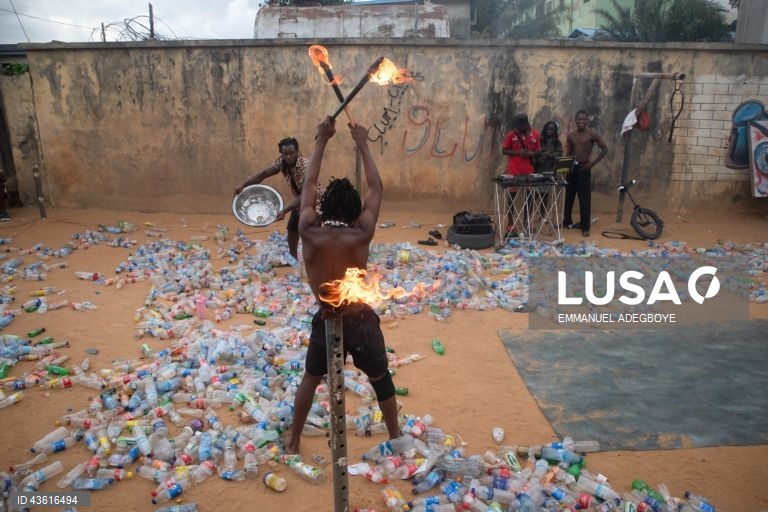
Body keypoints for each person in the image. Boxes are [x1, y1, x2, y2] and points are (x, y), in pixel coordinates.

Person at [285, 116, 398, 454]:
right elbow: (376, 189)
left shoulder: (309, 230)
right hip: (359, 319)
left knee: (311, 377)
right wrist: (362, 142)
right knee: (380, 378)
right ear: (353, 209)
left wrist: (321, 140)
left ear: (324, 206)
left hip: (328, 317)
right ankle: (395, 437)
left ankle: (293, 441)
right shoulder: (360, 232)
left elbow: (308, 186)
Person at [233, 137, 322, 259]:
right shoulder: (282, 163)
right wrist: (243, 185)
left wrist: (285, 209)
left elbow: (307, 193)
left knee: (312, 231)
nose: (289, 156)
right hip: (300, 201)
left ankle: (317, 259)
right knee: (292, 228)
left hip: (316, 201)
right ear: (281, 154)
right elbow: (263, 174)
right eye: (285, 154)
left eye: (291, 153)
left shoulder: (305, 166)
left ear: (297, 151)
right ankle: (293, 257)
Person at [563, 110, 609, 237]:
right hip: (572, 169)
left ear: (587, 120)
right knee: (569, 196)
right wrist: (565, 168)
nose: (581, 122)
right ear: (576, 120)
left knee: (584, 198)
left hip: (584, 168)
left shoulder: (592, 134)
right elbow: (569, 153)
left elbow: (605, 149)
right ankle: (567, 221)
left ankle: (585, 226)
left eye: (584, 119)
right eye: (579, 119)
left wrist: (592, 163)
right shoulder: (571, 135)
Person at [501, 113, 541, 237]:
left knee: (529, 197)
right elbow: (504, 150)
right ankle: (510, 224)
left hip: (528, 170)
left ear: (527, 124)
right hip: (514, 170)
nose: (518, 129)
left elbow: (539, 151)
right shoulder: (512, 134)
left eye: (520, 127)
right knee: (511, 197)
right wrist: (517, 152)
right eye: (517, 127)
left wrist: (530, 154)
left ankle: (526, 222)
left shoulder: (535, 134)